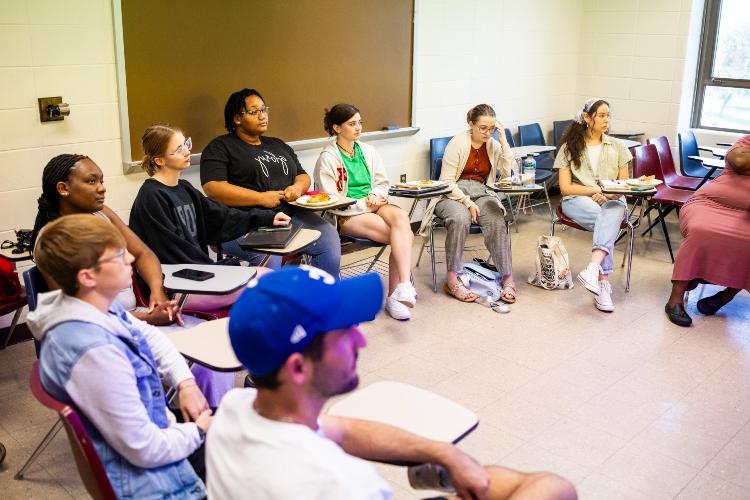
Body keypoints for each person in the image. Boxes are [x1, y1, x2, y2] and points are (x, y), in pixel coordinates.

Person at [206, 266, 577, 499]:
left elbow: (340, 430)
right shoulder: (342, 484)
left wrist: (443, 453)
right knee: (554, 489)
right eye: (345, 332)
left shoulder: (235, 411)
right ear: (299, 368)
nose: (362, 340)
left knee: (487, 480)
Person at [27, 214, 211, 499]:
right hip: (158, 481)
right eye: (118, 255)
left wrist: (185, 383)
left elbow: (149, 335)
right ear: (87, 276)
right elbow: (144, 448)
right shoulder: (91, 351)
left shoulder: (94, 305)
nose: (130, 260)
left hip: (158, 436)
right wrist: (199, 432)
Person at [130, 123, 290, 311]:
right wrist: (216, 270)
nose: (187, 151)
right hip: (176, 286)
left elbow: (221, 215)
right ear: (159, 160)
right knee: (265, 280)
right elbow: (170, 252)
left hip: (200, 275)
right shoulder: (151, 196)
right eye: (179, 149)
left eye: (186, 144)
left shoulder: (184, 187)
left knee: (267, 278)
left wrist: (266, 218)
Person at [200, 88, 341, 276]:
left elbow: (302, 175)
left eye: (264, 109)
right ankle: (269, 304)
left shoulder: (277, 144)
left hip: (288, 215)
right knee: (270, 254)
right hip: (242, 221)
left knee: (328, 235)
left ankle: (322, 298)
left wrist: (297, 188)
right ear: (237, 118)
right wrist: (260, 198)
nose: (262, 116)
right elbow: (213, 188)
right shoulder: (220, 147)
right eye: (254, 112)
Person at [31, 153, 180, 326]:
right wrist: (148, 319)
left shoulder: (102, 214)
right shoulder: (53, 242)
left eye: (101, 181)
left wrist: (157, 291)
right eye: (91, 181)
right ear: (63, 188)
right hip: (99, 328)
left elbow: (142, 253)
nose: (102, 188)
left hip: (134, 316)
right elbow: (80, 312)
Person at [314, 104, 416, 320]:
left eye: (360, 122)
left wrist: (377, 194)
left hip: (374, 204)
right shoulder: (328, 158)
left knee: (401, 218)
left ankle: (403, 286)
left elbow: (382, 182)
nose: (358, 128)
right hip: (348, 214)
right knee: (401, 236)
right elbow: (332, 201)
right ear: (336, 128)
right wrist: (364, 204)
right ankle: (395, 296)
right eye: (352, 124)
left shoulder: (368, 151)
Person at [419, 104, 517, 304]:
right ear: (470, 124)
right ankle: (453, 278)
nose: (487, 133)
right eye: (482, 128)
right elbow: (446, 182)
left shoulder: (493, 144)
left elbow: (509, 172)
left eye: (491, 129)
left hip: (481, 192)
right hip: (451, 194)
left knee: (497, 218)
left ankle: (507, 277)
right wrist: (467, 202)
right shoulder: (458, 143)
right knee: (459, 218)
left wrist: (504, 140)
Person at [553, 97, 631, 313]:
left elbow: (623, 186)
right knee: (608, 221)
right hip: (577, 201)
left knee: (610, 213)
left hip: (612, 201)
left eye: (609, 115)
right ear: (587, 117)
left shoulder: (618, 147)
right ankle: (602, 283)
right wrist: (596, 191)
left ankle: (595, 270)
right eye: (602, 115)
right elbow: (566, 188)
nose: (607, 120)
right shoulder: (569, 148)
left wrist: (608, 195)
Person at [664, 134, 750, 326]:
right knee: (701, 232)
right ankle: (675, 300)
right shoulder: (747, 140)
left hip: (746, 213)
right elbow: (738, 161)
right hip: (710, 202)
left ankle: (724, 297)